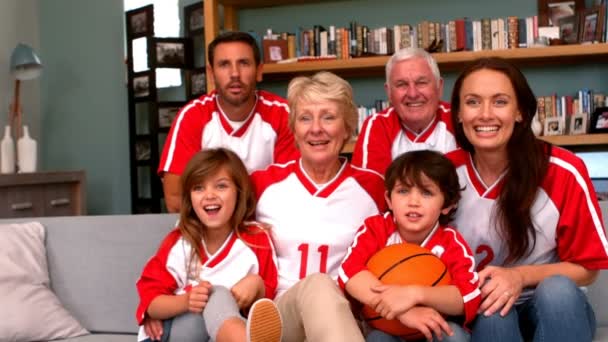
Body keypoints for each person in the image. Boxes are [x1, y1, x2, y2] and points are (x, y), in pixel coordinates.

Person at [447, 57, 608, 342]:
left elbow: (588, 268)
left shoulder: (563, 170)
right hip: (483, 312)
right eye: (473, 102)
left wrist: (519, 276)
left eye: (499, 102)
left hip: (550, 310)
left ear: (520, 111)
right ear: (458, 113)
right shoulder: (442, 175)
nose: (485, 114)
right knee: (493, 308)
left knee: (556, 290)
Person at [251, 71, 387, 341]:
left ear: (348, 127)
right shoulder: (262, 184)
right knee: (319, 283)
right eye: (305, 118)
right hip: (281, 320)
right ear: (294, 128)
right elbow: (206, 230)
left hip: (347, 318)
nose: (316, 128)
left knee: (325, 290)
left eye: (328, 117)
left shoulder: (374, 188)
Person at [137, 148, 282, 342]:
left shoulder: (257, 239)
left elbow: (268, 302)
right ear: (189, 198)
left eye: (221, 186)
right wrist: (186, 301)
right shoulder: (179, 241)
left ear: (239, 192)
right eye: (199, 188)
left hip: (220, 334)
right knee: (216, 293)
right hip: (175, 332)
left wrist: (257, 285)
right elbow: (152, 302)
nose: (209, 195)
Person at [340, 150, 481, 342]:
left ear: (447, 205)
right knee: (378, 340)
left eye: (426, 192)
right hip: (385, 327)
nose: (413, 202)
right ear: (389, 199)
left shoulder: (451, 242)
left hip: (433, 327)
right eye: (403, 191)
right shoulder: (376, 229)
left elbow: (466, 296)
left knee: (453, 336)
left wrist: (415, 294)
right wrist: (402, 311)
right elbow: (350, 272)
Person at [158, 31, 299, 213]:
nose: (234, 74)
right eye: (224, 64)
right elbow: (175, 199)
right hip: (210, 231)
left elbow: (292, 193)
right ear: (211, 73)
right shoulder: (192, 116)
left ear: (259, 71)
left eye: (244, 63)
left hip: (269, 226)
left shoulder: (283, 114)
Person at [351, 47, 457, 176]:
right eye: (402, 84)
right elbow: (369, 188)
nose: (412, 94)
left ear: (439, 87)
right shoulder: (378, 124)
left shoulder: (458, 118)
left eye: (421, 82)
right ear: (389, 92)